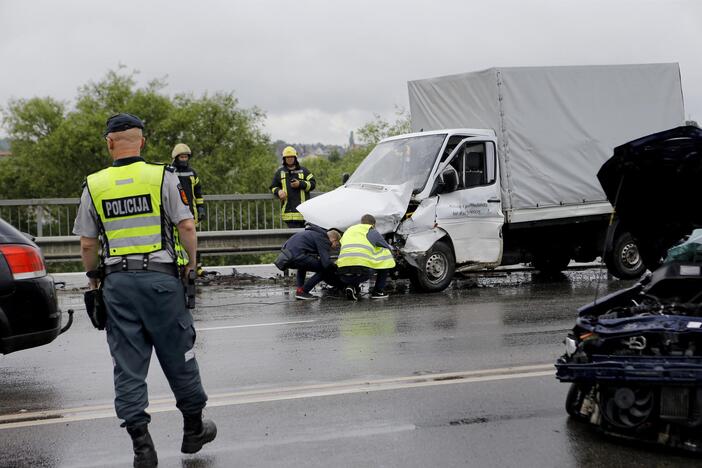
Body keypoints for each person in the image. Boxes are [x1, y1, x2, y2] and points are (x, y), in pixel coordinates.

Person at [72, 113, 216, 467]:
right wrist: (191, 266)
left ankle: (142, 448)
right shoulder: (161, 175)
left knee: (127, 364)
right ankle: (193, 429)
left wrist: (94, 281)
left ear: (109, 143)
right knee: (178, 353)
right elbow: (186, 225)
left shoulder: (94, 184)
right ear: (143, 141)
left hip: (117, 284)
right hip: (161, 281)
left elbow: (88, 244)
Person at [337, 214, 396, 300]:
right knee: (385, 258)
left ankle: (352, 287)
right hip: (363, 271)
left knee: (357, 264)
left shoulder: (349, 230)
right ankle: (378, 291)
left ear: (361, 222)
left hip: (342, 272)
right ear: (373, 225)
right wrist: (393, 251)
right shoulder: (371, 231)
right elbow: (386, 246)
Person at [171, 143, 205, 275]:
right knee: (177, 242)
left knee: (193, 241)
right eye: (182, 157)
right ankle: (179, 266)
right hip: (175, 213)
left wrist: (201, 208)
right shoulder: (170, 172)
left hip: (191, 212)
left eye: (186, 157)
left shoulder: (192, 173)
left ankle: (197, 266)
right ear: (176, 157)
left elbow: (198, 191)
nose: (184, 159)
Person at [281, 224, 341, 300]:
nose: (337, 246)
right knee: (324, 269)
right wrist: (336, 268)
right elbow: (326, 264)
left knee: (302, 266)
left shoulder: (312, 233)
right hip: (297, 256)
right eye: (337, 244)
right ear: (334, 240)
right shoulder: (323, 239)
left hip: (287, 256)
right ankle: (304, 291)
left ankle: (300, 290)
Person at [270, 146, 315, 228]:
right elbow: (273, 186)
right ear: (284, 159)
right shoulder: (280, 172)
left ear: (295, 158)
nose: (289, 159)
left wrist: (300, 184)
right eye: (287, 157)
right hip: (288, 214)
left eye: (291, 157)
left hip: (304, 213)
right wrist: (279, 191)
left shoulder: (304, 171)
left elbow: (313, 184)